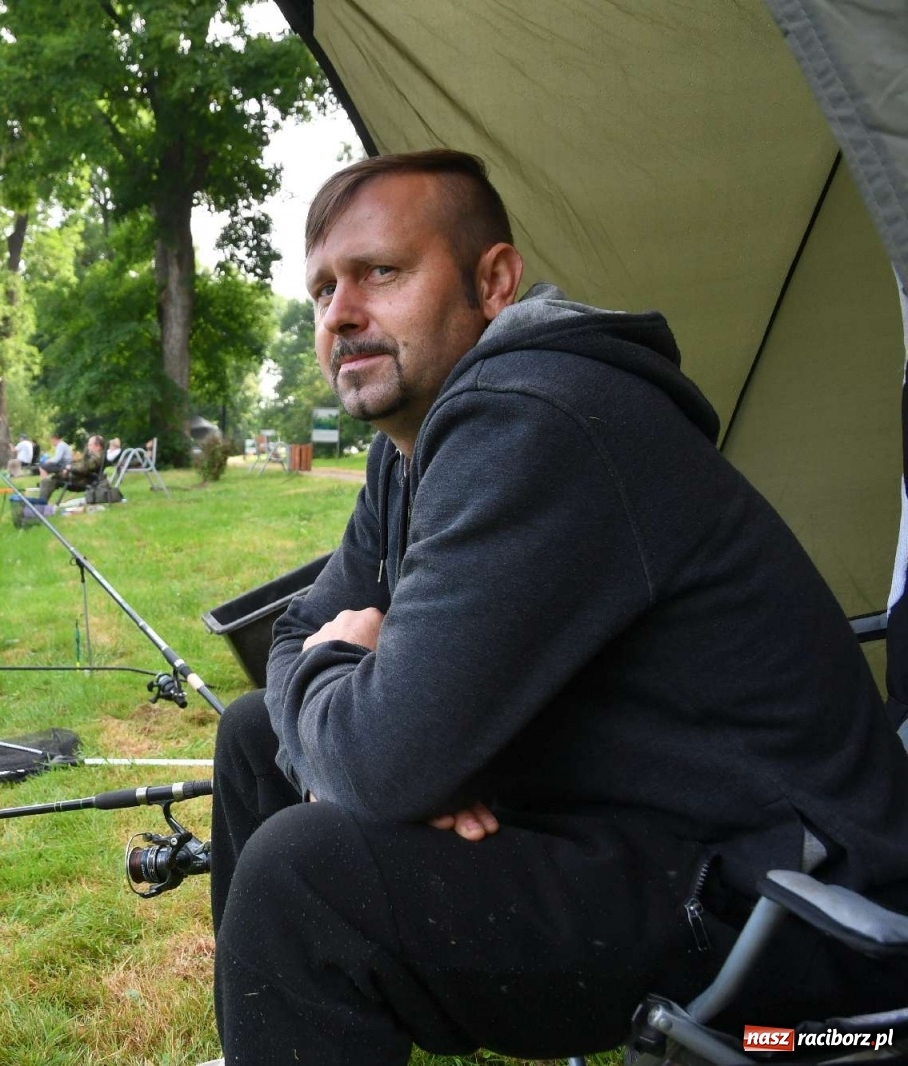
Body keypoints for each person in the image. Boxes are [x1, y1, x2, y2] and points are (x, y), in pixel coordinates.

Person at [208, 149, 908, 1064]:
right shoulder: (406, 450)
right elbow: (300, 635)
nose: (342, 314)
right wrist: (368, 714)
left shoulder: (537, 416)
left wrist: (373, 709)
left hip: (782, 901)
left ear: (493, 281)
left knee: (305, 882)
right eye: (322, 290)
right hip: (620, 822)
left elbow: (378, 754)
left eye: (382, 272)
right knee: (257, 734)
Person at [36, 434, 104, 504]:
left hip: (80, 481)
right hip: (79, 478)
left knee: (48, 480)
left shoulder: (96, 457)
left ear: (97, 446)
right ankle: (41, 503)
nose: (88, 447)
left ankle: (41, 504)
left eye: (89, 445)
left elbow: (83, 469)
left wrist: (69, 468)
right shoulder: (95, 456)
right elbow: (83, 466)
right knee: (49, 479)